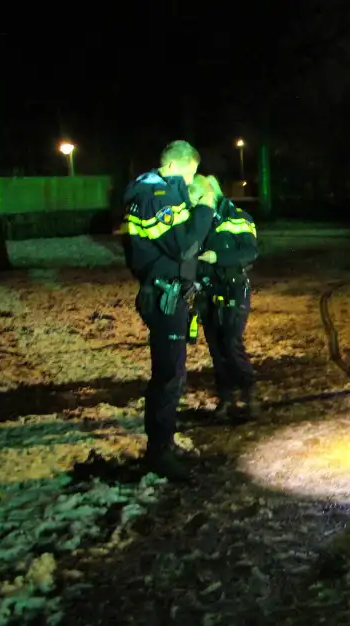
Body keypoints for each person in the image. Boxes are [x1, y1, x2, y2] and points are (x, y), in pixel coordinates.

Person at [122, 140, 216, 481]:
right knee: (168, 375)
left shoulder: (158, 192)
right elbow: (184, 245)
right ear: (178, 165)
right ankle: (158, 451)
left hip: (168, 291)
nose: (192, 181)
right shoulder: (156, 197)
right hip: (163, 294)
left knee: (173, 373)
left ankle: (163, 442)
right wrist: (204, 206)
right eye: (191, 173)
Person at [190, 175, 259, 421]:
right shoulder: (196, 218)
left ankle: (249, 395)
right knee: (216, 349)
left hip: (233, 289)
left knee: (231, 342)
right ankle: (225, 399)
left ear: (210, 193)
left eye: (195, 196)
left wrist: (217, 257)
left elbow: (251, 251)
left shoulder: (238, 217)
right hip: (207, 291)